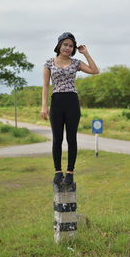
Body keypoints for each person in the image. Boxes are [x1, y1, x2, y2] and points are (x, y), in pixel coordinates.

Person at [41, 32, 99, 185]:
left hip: (72, 102)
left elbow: (95, 71)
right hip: (56, 101)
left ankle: (70, 172)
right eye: (65, 44)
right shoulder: (48, 63)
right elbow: (46, 86)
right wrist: (44, 107)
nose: (67, 48)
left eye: (71, 45)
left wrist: (86, 53)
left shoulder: (76, 63)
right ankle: (58, 172)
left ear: (73, 48)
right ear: (59, 45)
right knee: (57, 138)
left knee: (71, 138)